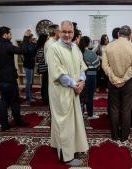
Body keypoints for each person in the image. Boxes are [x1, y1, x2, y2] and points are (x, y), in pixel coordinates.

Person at [46, 20, 88, 166]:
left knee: (74, 122)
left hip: (74, 90)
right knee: (64, 123)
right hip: (62, 92)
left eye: (70, 32)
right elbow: (58, 74)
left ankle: (69, 147)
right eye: (64, 32)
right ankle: (66, 157)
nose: (67, 35)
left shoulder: (75, 47)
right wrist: (76, 85)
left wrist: (82, 81)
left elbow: (82, 67)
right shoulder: (53, 48)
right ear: (59, 32)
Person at [0, 26, 29, 131]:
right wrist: (25, 37)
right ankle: (18, 121)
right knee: (14, 101)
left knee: (4, 101)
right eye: (10, 34)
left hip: (0, 79)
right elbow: (23, 50)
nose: (11, 36)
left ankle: (4, 125)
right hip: (9, 80)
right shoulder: (7, 45)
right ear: (5, 35)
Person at [102, 25, 132, 142]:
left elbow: (104, 65)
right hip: (128, 83)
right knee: (126, 109)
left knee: (114, 109)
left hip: (113, 83)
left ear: (118, 34)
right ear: (130, 36)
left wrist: (114, 79)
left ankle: (114, 135)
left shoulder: (109, 46)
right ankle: (124, 136)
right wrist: (123, 79)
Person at [79, 36, 100, 120]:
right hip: (91, 74)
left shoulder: (78, 52)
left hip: (80, 75)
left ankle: (81, 112)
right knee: (90, 95)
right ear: (88, 43)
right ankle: (90, 114)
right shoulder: (91, 53)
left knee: (81, 95)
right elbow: (97, 66)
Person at [23, 33, 37, 103]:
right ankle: (28, 98)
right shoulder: (26, 45)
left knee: (31, 82)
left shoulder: (30, 44)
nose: (32, 38)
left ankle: (30, 95)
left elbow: (34, 53)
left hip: (31, 65)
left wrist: (34, 44)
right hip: (28, 65)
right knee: (28, 82)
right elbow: (30, 52)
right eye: (31, 37)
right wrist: (34, 44)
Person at [36, 33, 49, 104]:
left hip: (44, 68)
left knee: (45, 84)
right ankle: (46, 98)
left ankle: (45, 98)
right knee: (45, 84)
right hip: (45, 69)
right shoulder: (42, 48)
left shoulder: (41, 47)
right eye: (47, 39)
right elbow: (40, 59)